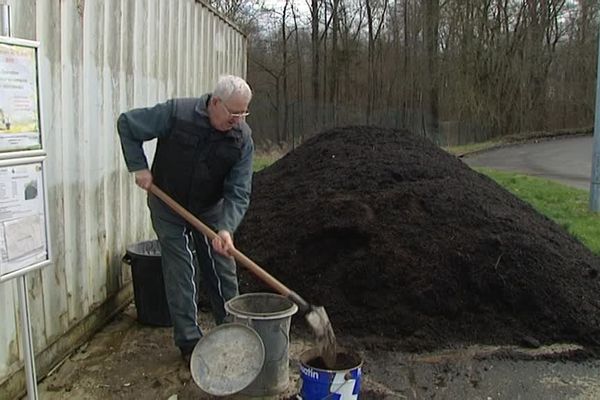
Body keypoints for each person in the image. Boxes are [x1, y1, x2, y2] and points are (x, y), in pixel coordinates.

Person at [117, 75, 254, 363]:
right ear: (215, 102)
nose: (238, 120)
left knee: (223, 267)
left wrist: (227, 228)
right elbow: (128, 124)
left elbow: (239, 190)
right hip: (168, 204)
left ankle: (231, 331)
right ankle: (190, 343)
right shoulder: (177, 113)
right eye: (234, 113)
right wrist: (138, 167)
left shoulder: (242, 139)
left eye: (244, 113)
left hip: (209, 208)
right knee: (181, 269)